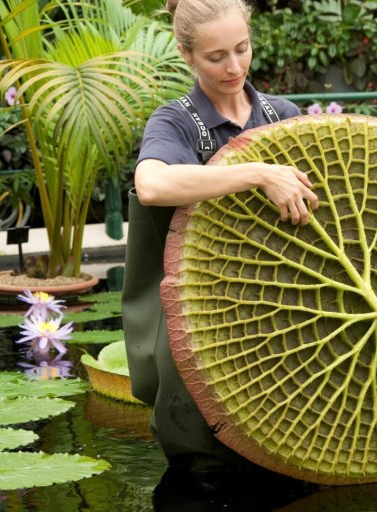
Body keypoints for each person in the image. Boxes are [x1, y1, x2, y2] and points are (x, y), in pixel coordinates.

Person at [122, 0, 319, 472]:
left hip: (287, 324)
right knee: (209, 473)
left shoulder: (282, 114)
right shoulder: (175, 122)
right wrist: (258, 173)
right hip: (206, 329)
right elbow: (152, 186)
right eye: (216, 57)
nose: (234, 67)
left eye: (242, 49)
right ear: (186, 53)